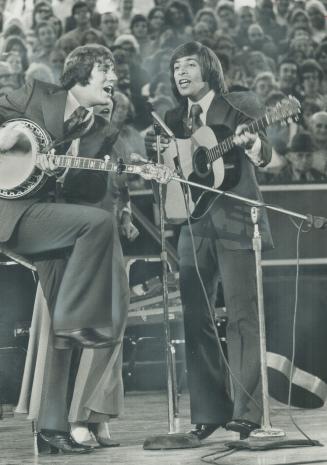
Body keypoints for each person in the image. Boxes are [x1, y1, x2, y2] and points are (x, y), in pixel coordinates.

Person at [0, 44, 128, 453]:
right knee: (99, 224)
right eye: (106, 69)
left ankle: (51, 428)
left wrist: (100, 170)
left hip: (57, 225)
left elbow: (89, 193)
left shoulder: (103, 129)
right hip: (16, 210)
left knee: (59, 325)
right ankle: (82, 315)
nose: (113, 79)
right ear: (82, 72)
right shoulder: (37, 94)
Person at [145, 41, 273, 441]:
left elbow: (266, 154)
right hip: (192, 226)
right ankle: (208, 411)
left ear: (208, 69)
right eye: (176, 67)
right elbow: (172, 172)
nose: (181, 73)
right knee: (195, 317)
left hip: (237, 221)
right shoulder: (171, 119)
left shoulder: (241, 108)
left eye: (189, 65)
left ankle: (248, 413)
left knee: (242, 316)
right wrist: (159, 166)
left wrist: (254, 146)